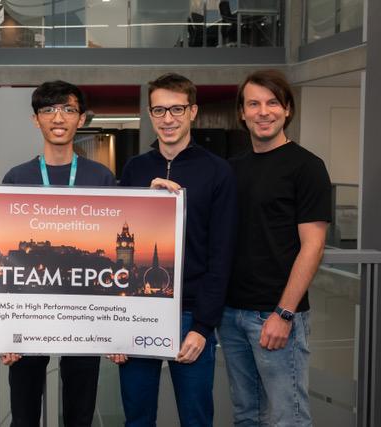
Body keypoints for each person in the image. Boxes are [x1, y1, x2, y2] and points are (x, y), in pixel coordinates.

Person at [111, 73, 237, 427]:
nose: (168, 119)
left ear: (193, 111)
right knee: (137, 417)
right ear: (150, 114)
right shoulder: (135, 169)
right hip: (138, 312)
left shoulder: (217, 171)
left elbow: (221, 254)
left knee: (196, 418)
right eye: (159, 110)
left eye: (177, 109)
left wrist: (202, 326)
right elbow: (118, 248)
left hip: (190, 316)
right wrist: (115, 324)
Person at [217, 70, 331, 426]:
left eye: (272, 103)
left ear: (287, 110)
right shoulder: (230, 168)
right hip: (231, 314)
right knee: (246, 415)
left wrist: (283, 314)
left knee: (288, 418)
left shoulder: (307, 167)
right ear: (242, 112)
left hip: (276, 315)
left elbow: (312, 247)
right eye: (254, 103)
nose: (263, 111)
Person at [1, 80, 116, 427]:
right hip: (27, 310)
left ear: (81, 119)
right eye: (48, 110)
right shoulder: (16, 178)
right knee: (24, 414)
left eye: (68, 109)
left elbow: (112, 253)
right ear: (36, 120)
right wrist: (4, 330)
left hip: (85, 310)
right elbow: (8, 257)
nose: (58, 117)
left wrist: (117, 327)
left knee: (79, 414)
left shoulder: (101, 178)